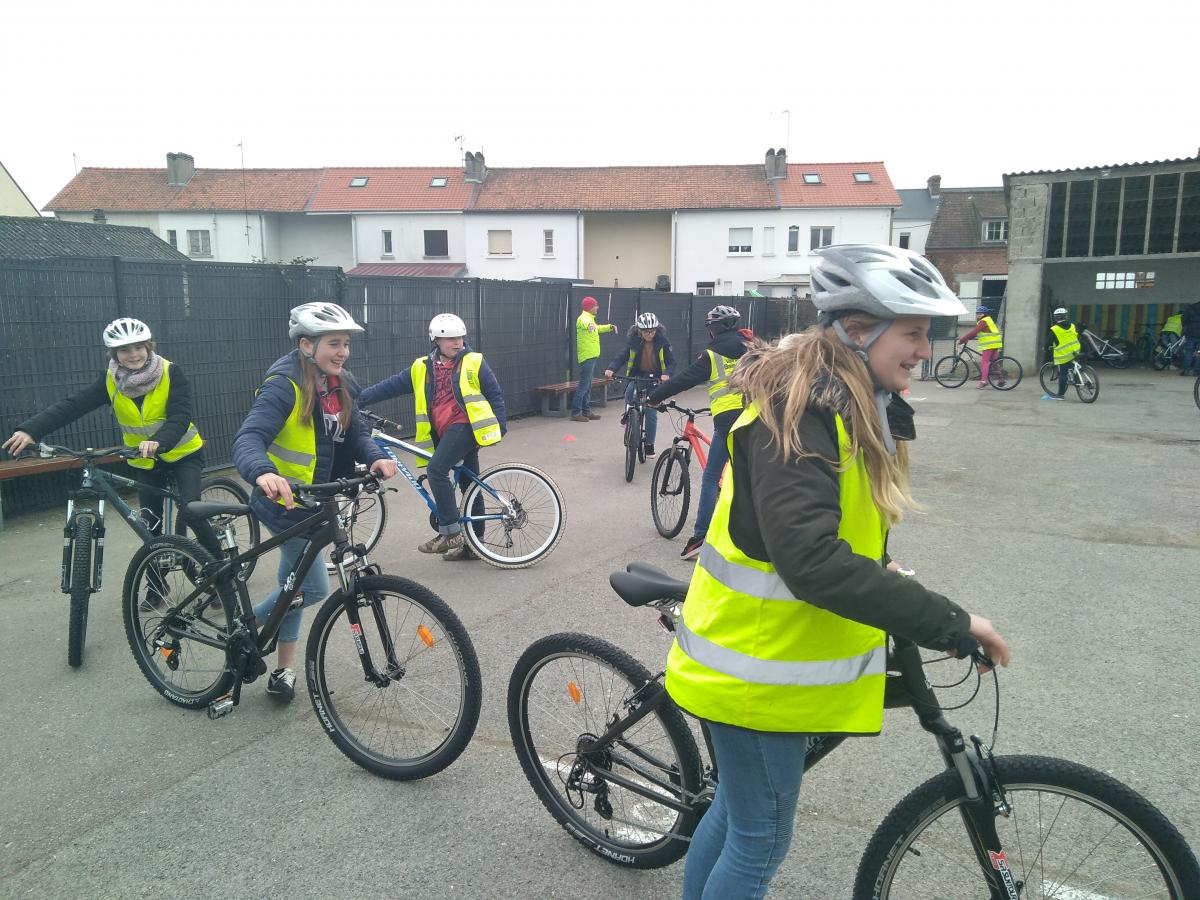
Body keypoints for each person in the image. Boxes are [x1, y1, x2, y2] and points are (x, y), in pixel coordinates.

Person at [663, 244, 1011, 900]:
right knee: (759, 837)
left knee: (737, 817)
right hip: (754, 670)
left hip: (768, 660)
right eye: (912, 333)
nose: (925, 350)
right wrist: (950, 621)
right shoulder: (800, 413)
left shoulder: (848, 403)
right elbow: (812, 561)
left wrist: (884, 573)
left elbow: (832, 529)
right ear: (857, 330)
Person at [232, 302, 397, 702]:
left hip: (316, 501)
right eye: (334, 344)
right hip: (284, 503)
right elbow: (248, 437)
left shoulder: (340, 382)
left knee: (292, 586)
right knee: (314, 587)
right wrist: (263, 472)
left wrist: (375, 456)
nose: (343, 352)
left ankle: (283, 669)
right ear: (307, 345)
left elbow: (356, 433)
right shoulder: (283, 384)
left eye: (346, 344)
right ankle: (242, 626)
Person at [3, 317, 219, 558]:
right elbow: (73, 405)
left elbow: (180, 416)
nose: (133, 355)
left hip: (183, 454)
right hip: (144, 460)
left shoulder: (171, 372)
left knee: (191, 513)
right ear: (114, 353)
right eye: (124, 350)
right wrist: (31, 430)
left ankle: (223, 567)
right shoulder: (109, 380)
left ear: (149, 347)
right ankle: (155, 578)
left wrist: (159, 441)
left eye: (139, 347)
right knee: (149, 527)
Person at [357, 313, 506, 561]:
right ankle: (475, 545)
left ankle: (450, 531)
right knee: (469, 484)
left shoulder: (474, 361)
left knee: (437, 470)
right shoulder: (422, 367)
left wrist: (500, 425)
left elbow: (494, 394)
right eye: (450, 339)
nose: (457, 342)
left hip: (466, 427)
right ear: (435, 340)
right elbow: (391, 386)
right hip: (444, 432)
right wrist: (358, 400)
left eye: (460, 337)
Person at [647, 305, 751, 560]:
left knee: (710, 477)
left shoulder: (712, 355)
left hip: (727, 420)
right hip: (755, 416)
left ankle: (699, 538)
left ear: (714, 329)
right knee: (748, 474)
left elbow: (683, 379)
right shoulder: (752, 348)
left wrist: (653, 397)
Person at [604, 312, 675, 457]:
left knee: (651, 412)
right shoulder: (634, 342)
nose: (650, 334)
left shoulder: (663, 342)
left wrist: (667, 373)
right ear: (639, 330)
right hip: (638, 376)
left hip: (656, 378)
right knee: (630, 391)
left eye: (653, 331)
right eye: (646, 331)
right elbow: (622, 357)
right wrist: (611, 368)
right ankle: (628, 415)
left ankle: (649, 444)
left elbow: (672, 362)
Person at [571, 296, 617, 422]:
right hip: (587, 356)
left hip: (591, 356)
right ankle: (576, 413)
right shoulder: (583, 318)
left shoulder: (590, 318)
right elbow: (586, 324)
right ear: (589, 307)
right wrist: (589, 326)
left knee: (588, 386)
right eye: (595, 305)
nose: (597, 307)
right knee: (584, 386)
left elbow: (596, 328)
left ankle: (586, 411)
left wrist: (609, 327)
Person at [957, 305, 1003, 388]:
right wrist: (968, 339)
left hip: (989, 344)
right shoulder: (988, 320)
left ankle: (983, 381)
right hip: (995, 344)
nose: (978, 315)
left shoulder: (983, 321)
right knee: (994, 362)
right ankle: (1000, 379)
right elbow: (978, 333)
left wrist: (962, 339)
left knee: (985, 363)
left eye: (980, 313)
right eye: (977, 313)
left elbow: (974, 332)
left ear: (984, 314)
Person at [1044, 307, 1080, 400]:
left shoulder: (1054, 329)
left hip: (1064, 354)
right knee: (1072, 364)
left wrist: (1045, 348)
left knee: (1063, 373)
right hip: (1076, 350)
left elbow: (1048, 341)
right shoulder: (1072, 325)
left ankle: (1060, 395)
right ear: (1066, 316)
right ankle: (1078, 377)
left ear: (1056, 318)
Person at [1178, 301, 1200, 376]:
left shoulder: (1191, 308)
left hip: (1191, 334)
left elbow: (1183, 319)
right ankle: (1196, 371)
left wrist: (1187, 327)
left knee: (1189, 352)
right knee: (1199, 353)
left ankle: (1186, 370)